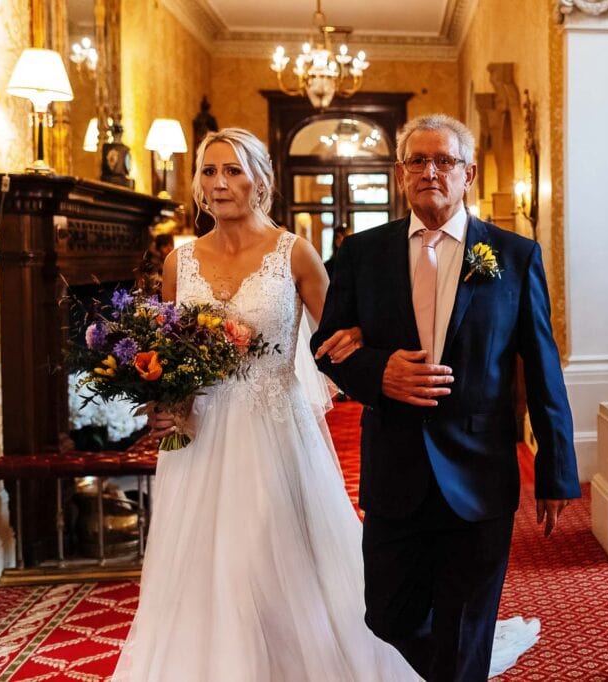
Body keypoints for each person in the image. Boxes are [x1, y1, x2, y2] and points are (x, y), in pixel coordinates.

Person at [113, 127, 412, 681]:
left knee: (268, 555)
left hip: (274, 429)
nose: (220, 183)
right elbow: (166, 349)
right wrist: (163, 400)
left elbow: (341, 340)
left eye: (233, 170)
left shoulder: (292, 253)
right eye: (209, 171)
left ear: (259, 180)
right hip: (199, 436)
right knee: (204, 564)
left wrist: (390, 378)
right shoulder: (180, 262)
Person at [310, 114, 581, 682]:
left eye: (444, 161)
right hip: (394, 465)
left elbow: (542, 367)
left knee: (465, 630)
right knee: (387, 614)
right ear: (400, 172)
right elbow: (326, 345)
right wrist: (378, 370)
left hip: (481, 470)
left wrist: (557, 469)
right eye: (417, 160)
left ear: (469, 174)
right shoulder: (362, 253)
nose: (430, 171)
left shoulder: (514, 256)